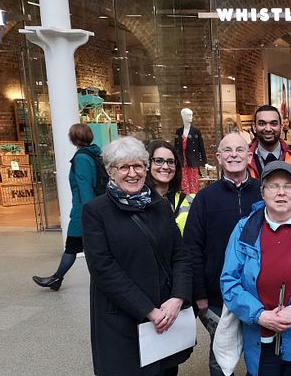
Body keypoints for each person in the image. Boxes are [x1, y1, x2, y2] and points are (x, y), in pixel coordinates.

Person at [82, 137, 192, 375]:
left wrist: (178, 297)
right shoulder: (96, 211)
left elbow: (180, 255)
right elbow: (103, 269)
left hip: (165, 316)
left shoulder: (159, 205)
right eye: (124, 167)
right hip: (122, 320)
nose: (132, 173)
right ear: (111, 172)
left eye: (138, 166)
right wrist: (148, 311)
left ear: (146, 168)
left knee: (165, 371)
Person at [221, 161, 291, 376]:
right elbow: (229, 280)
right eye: (273, 186)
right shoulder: (244, 230)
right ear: (263, 192)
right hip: (260, 336)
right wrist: (258, 315)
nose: (281, 192)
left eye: (288, 186)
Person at [183, 132, 262, 376]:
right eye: (227, 150)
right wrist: (199, 293)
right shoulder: (205, 199)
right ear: (218, 157)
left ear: (249, 156)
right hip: (216, 296)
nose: (234, 155)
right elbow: (192, 247)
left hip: (258, 293)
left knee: (257, 355)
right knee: (220, 357)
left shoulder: (264, 192)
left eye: (239, 150)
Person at [33, 124, 101, 291]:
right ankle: (57, 278)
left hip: (83, 211)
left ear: (73, 138)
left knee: (73, 246)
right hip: (91, 208)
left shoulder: (81, 158)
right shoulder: (95, 153)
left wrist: (88, 215)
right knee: (90, 248)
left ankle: (57, 278)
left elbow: (85, 188)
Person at [248, 105, 291, 184]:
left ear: (281, 127)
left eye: (273, 123)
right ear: (254, 127)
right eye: (262, 123)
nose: (268, 129)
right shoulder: (243, 161)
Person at [145, 140, 193, 235]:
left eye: (170, 162)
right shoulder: (138, 201)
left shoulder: (190, 201)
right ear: (147, 164)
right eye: (159, 161)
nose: (166, 166)